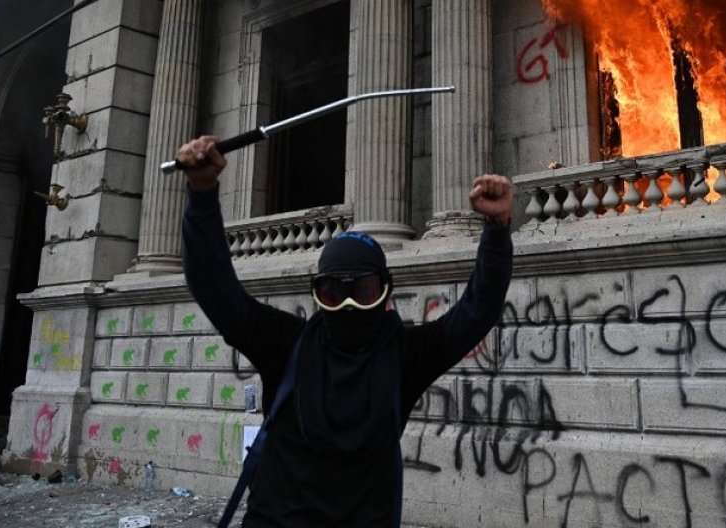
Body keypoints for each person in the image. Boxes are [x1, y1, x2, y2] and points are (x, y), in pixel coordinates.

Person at [177, 135, 514, 527]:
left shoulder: (405, 355)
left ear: (384, 291)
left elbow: (476, 311)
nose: (350, 304)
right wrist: (202, 192)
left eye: (364, 290)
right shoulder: (287, 344)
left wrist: (496, 229)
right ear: (318, 295)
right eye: (334, 292)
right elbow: (216, 290)